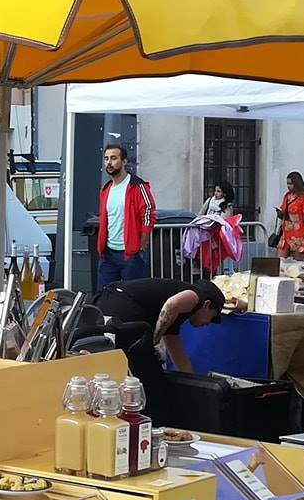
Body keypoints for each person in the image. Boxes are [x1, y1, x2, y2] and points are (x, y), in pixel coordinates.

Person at [90, 277, 225, 391]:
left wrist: (198, 389)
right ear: (207, 305)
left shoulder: (175, 319)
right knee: (146, 375)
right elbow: (172, 304)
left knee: (128, 369)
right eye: (212, 317)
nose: (208, 323)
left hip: (106, 301)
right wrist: (154, 340)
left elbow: (181, 362)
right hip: (123, 305)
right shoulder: (197, 296)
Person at [94, 143, 157, 288]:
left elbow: (148, 213)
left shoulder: (137, 186)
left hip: (131, 254)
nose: (109, 162)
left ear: (124, 162)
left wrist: (141, 245)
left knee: (132, 296)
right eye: (106, 158)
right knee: (104, 295)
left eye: (114, 158)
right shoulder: (106, 189)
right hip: (108, 254)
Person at [274, 172, 304, 259]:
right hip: (285, 234)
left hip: (299, 236)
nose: (288, 186)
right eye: (287, 183)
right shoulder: (287, 196)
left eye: (291, 183)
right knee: (279, 262)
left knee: (297, 265)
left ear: (297, 183)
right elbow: (284, 209)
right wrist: (281, 214)